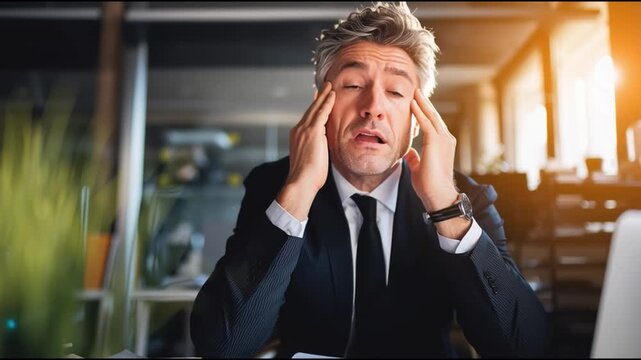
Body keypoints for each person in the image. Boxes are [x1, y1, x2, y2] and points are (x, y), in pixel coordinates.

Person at [190, 2, 548, 358]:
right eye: (353, 84)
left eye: (395, 92)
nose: (373, 106)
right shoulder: (274, 187)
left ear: (417, 117)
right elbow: (223, 346)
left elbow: (524, 348)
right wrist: (297, 193)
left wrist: (445, 208)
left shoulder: (463, 198)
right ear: (321, 107)